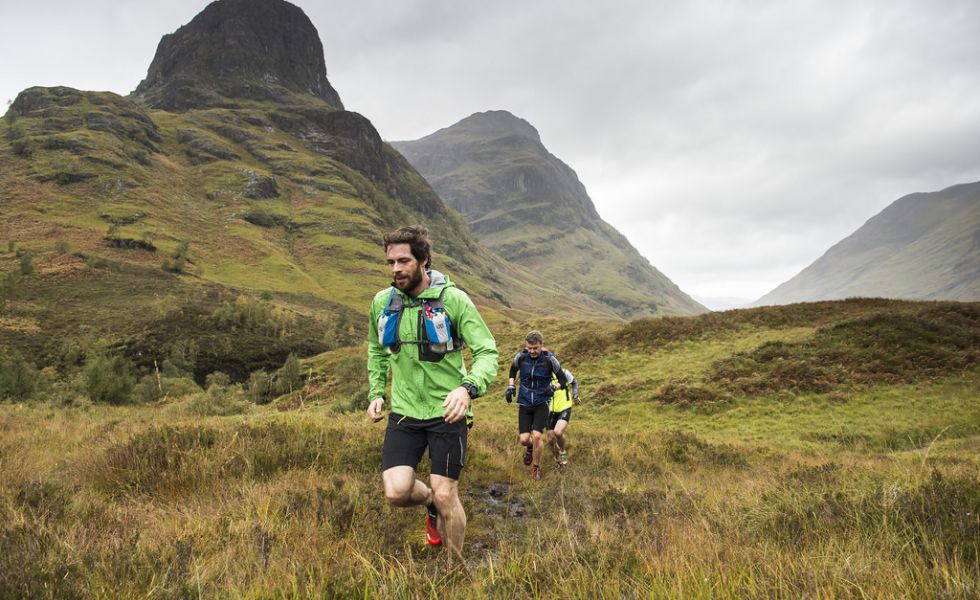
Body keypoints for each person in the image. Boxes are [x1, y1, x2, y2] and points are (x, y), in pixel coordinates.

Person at [366, 226, 498, 562]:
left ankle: (454, 568)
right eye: (391, 262)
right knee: (396, 492)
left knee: (446, 494)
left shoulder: (454, 300)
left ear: (423, 260)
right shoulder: (382, 302)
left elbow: (487, 351)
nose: (396, 268)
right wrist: (376, 391)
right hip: (406, 413)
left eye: (404, 260)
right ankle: (428, 505)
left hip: (447, 413)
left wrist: (467, 389)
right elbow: (376, 348)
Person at [504, 331, 566, 480]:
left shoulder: (550, 359)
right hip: (524, 401)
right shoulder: (521, 356)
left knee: (537, 436)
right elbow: (512, 370)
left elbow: (562, 380)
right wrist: (511, 386)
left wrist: (553, 388)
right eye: (529, 348)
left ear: (541, 346)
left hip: (541, 401)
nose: (532, 351)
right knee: (524, 439)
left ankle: (536, 468)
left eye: (535, 348)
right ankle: (530, 447)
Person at [548, 368, 580, 468]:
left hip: (564, 407)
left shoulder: (564, 372)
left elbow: (574, 382)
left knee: (558, 432)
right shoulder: (541, 375)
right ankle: (558, 461)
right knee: (550, 440)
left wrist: (575, 396)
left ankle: (563, 452)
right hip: (550, 410)